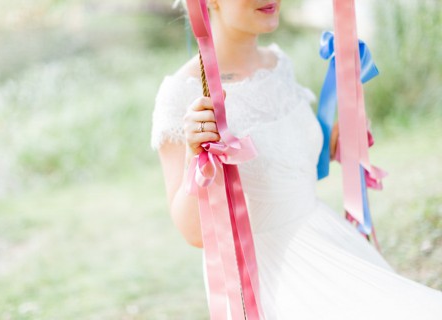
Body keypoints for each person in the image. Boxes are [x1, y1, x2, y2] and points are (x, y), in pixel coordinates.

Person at [150, 0, 442, 318]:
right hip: (273, 272)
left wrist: (337, 138)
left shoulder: (278, 63)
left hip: (328, 239)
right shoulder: (182, 94)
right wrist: (197, 155)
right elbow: (193, 234)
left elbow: (293, 168)